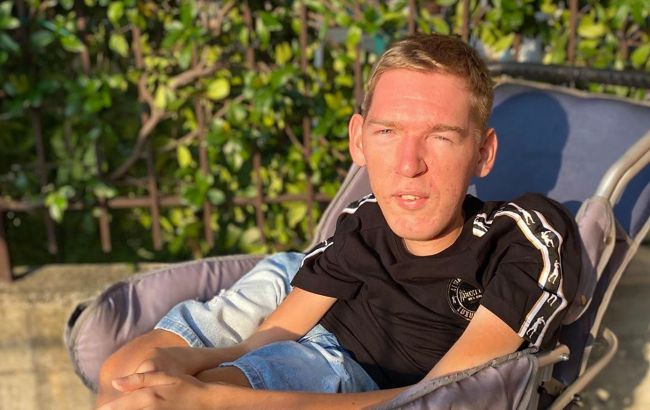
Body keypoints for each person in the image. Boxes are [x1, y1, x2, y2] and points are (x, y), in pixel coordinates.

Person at [96, 33, 581, 409]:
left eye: (441, 137)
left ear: (483, 152)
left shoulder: (525, 238)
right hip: (301, 290)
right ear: (358, 140)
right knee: (123, 373)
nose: (408, 164)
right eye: (388, 131)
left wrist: (212, 396)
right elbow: (270, 336)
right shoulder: (365, 219)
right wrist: (194, 361)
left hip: (338, 367)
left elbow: (439, 398)